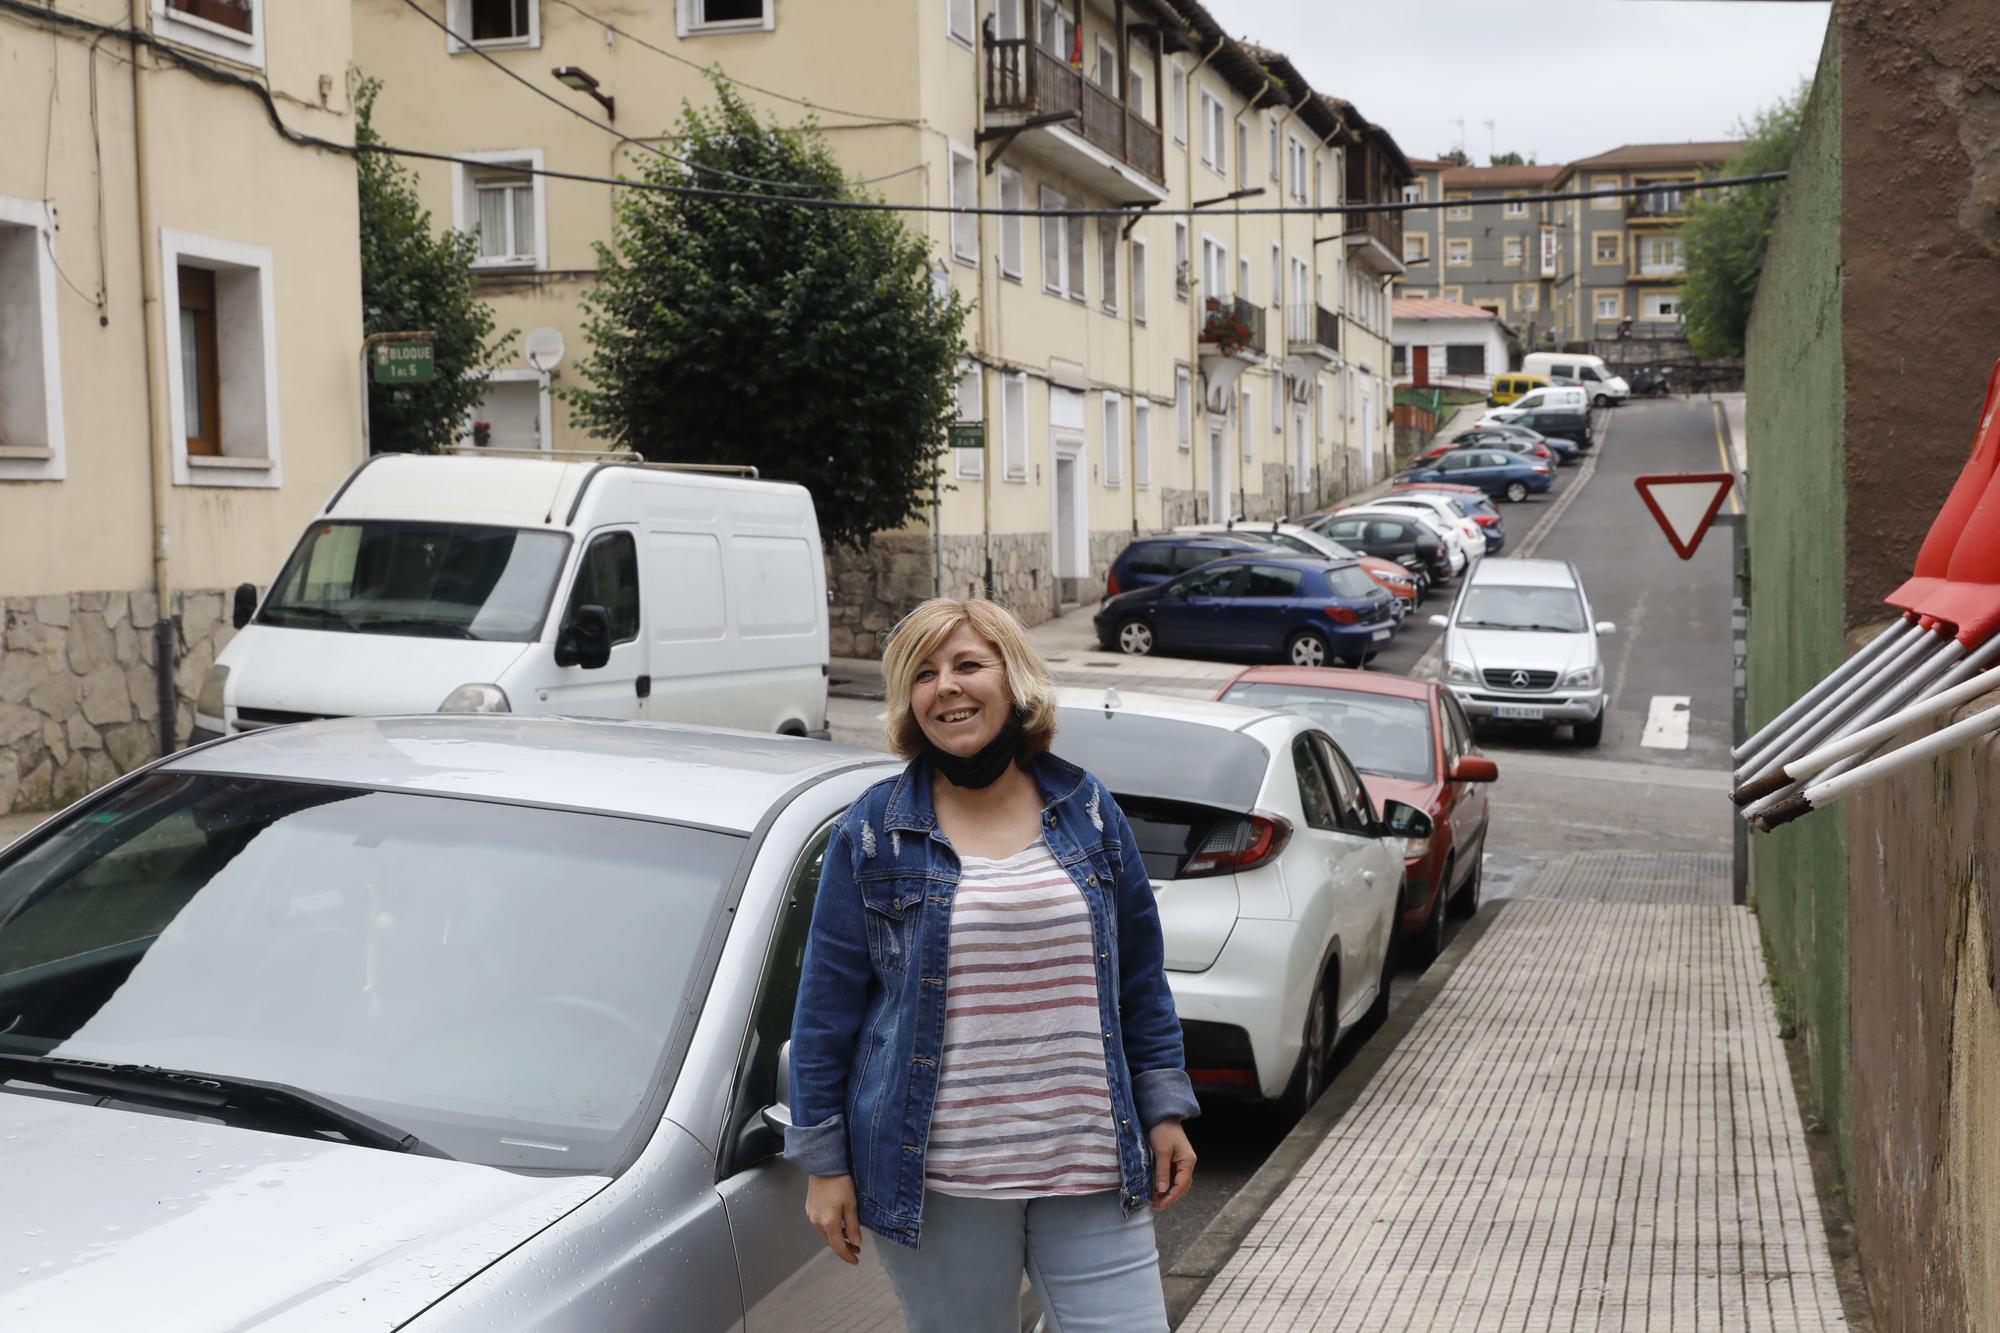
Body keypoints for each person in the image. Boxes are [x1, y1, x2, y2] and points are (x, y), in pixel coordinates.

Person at [785, 597, 1199, 1332]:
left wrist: (1164, 1105)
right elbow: (825, 1009)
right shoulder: (875, 829)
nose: (946, 685)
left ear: (1014, 681)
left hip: (1091, 1163)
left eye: (968, 664)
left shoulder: (1088, 810)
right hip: (940, 1179)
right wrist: (825, 1164)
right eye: (924, 672)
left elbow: (1139, 977)